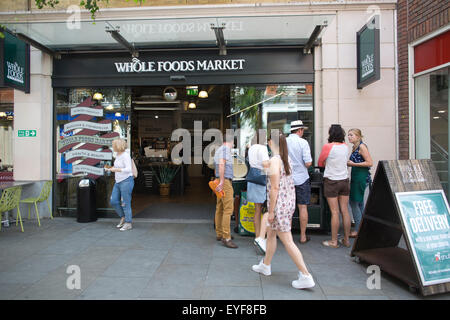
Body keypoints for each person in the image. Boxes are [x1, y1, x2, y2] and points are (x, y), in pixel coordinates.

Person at [252, 132, 315, 289]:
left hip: (279, 205)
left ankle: (305, 275)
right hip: (287, 203)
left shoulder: (275, 160)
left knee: (287, 241)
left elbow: (274, 187)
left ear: (270, 142)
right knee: (271, 235)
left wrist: (271, 211)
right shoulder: (285, 159)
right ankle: (266, 265)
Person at [318, 124, 351, 248]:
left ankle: (334, 241)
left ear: (330, 133)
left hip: (332, 181)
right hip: (344, 180)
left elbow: (320, 162)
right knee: (345, 210)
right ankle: (347, 240)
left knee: (335, 212)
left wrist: (327, 162)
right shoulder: (345, 146)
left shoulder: (328, 146)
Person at [286, 120, 313, 244]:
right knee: (302, 207)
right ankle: (303, 236)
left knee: (289, 208)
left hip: (287, 179)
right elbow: (308, 163)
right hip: (302, 178)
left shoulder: (284, 142)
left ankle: (288, 237)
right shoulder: (303, 142)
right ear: (300, 130)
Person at [347, 128, 373, 238]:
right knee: (360, 203)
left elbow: (370, 163)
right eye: (348, 135)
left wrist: (353, 164)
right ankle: (363, 228)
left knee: (354, 203)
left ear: (358, 136)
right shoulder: (354, 147)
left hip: (361, 178)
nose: (349, 137)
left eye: (351, 135)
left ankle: (358, 229)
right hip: (356, 177)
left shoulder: (362, 147)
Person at [105, 138, 135, 231]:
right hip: (118, 181)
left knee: (125, 203)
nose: (112, 147)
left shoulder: (125, 155)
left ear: (118, 146)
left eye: (113, 145)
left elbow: (129, 169)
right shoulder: (117, 154)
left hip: (126, 181)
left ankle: (128, 223)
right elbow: (117, 166)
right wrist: (110, 168)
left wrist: (116, 170)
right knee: (113, 201)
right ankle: (123, 217)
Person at [247, 137, 270, 254]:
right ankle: (263, 237)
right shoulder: (262, 148)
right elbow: (265, 165)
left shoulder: (251, 148)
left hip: (252, 179)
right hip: (261, 180)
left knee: (257, 209)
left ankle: (257, 236)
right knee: (266, 210)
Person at [214, 139, 238, 249]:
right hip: (225, 182)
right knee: (228, 209)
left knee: (220, 207)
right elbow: (222, 165)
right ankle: (226, 237)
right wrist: (223, 181)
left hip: (218, 180)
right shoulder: (225, 150)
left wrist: (219, 180)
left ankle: (219, 234)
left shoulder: (219, 149)